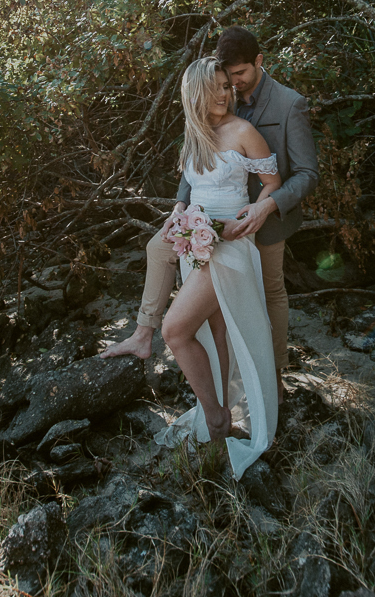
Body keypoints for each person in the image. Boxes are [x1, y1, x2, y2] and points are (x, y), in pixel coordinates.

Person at [101, 26, 320, 404]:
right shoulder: (212, 110)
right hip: (211, 217)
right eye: (226, 78)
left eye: (239, 76)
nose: (232, 86)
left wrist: (265, 205)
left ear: (259, 63)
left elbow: (306, 174)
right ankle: (151, 337)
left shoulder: (289, 104)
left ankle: (275, 377)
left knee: (269, 295)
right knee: (163, 252)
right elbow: (198, 167)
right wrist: (179, 207)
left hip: (264, 216)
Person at [147, 56, 282, 478]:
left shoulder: (243, 131)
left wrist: (249, 216)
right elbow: (192, 186)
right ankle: (220, 413)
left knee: (174, 330)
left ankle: (216, 416)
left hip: (229, 246)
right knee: (216, 332)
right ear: (196, 93)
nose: (226, 93)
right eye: (217, 87)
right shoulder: (195, 137)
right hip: (196, 242)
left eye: (228, 85)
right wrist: (179, 212)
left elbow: (272, 183)